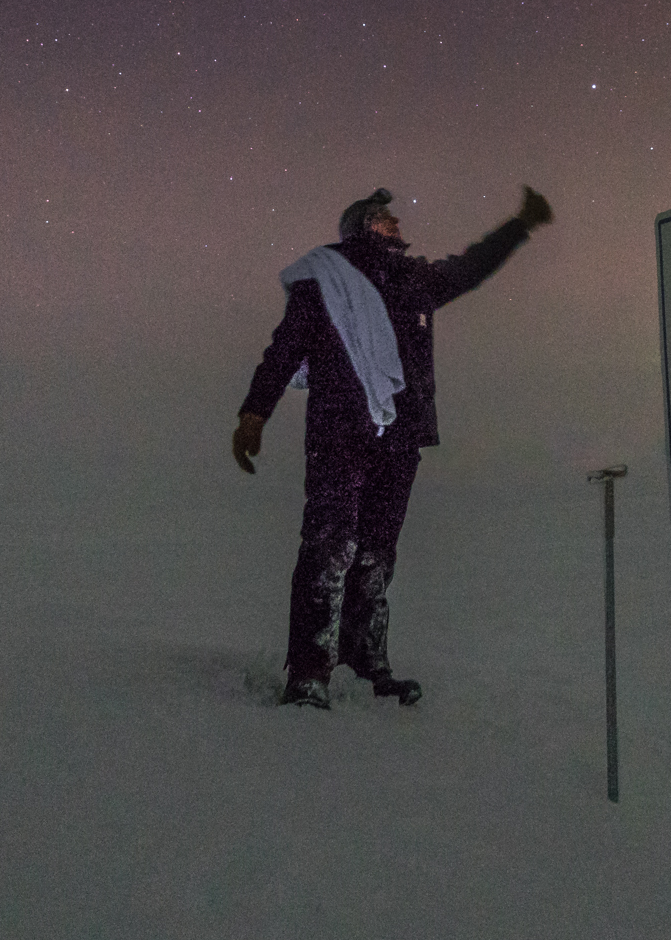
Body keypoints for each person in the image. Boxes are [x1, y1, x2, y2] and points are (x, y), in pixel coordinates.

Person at [232, 184, 554, 709]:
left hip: (401, 439)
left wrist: (518, 227)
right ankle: (309, 674)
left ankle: (365, 664)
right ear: (360, 225)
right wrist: (254, 412)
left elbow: (471, 267)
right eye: (383, 217)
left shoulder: (415, 279)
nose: (397, 223)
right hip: (340, 431)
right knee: (328, 547)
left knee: (377, 553)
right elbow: (286, 347)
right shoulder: (327, 280)